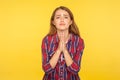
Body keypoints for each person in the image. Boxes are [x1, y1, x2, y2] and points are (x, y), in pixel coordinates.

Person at [41, 6, 85, 80]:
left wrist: (64, 50)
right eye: (58, 17)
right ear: (53, 22)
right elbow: (47, 69)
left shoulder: (79, 41)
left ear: (71, 21)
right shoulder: (46, 40)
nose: (62, 20)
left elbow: (75, 70)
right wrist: (58, 50)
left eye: (65, 17)